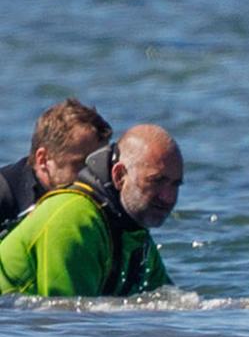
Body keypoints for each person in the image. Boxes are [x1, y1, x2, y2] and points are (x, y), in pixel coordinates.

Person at [0, 123, 181, 298]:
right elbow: (66, 313)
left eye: (175, 184)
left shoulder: (135, 235)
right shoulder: (73, 218)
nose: (168, 197)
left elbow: (167, 303)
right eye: (156, 180)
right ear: (119, 176)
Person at [0, 99, 112, 227]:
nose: (94, 176)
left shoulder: (105, 197)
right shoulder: (5, 195)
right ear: (43, 159)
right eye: (81, 164)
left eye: (99, 163)